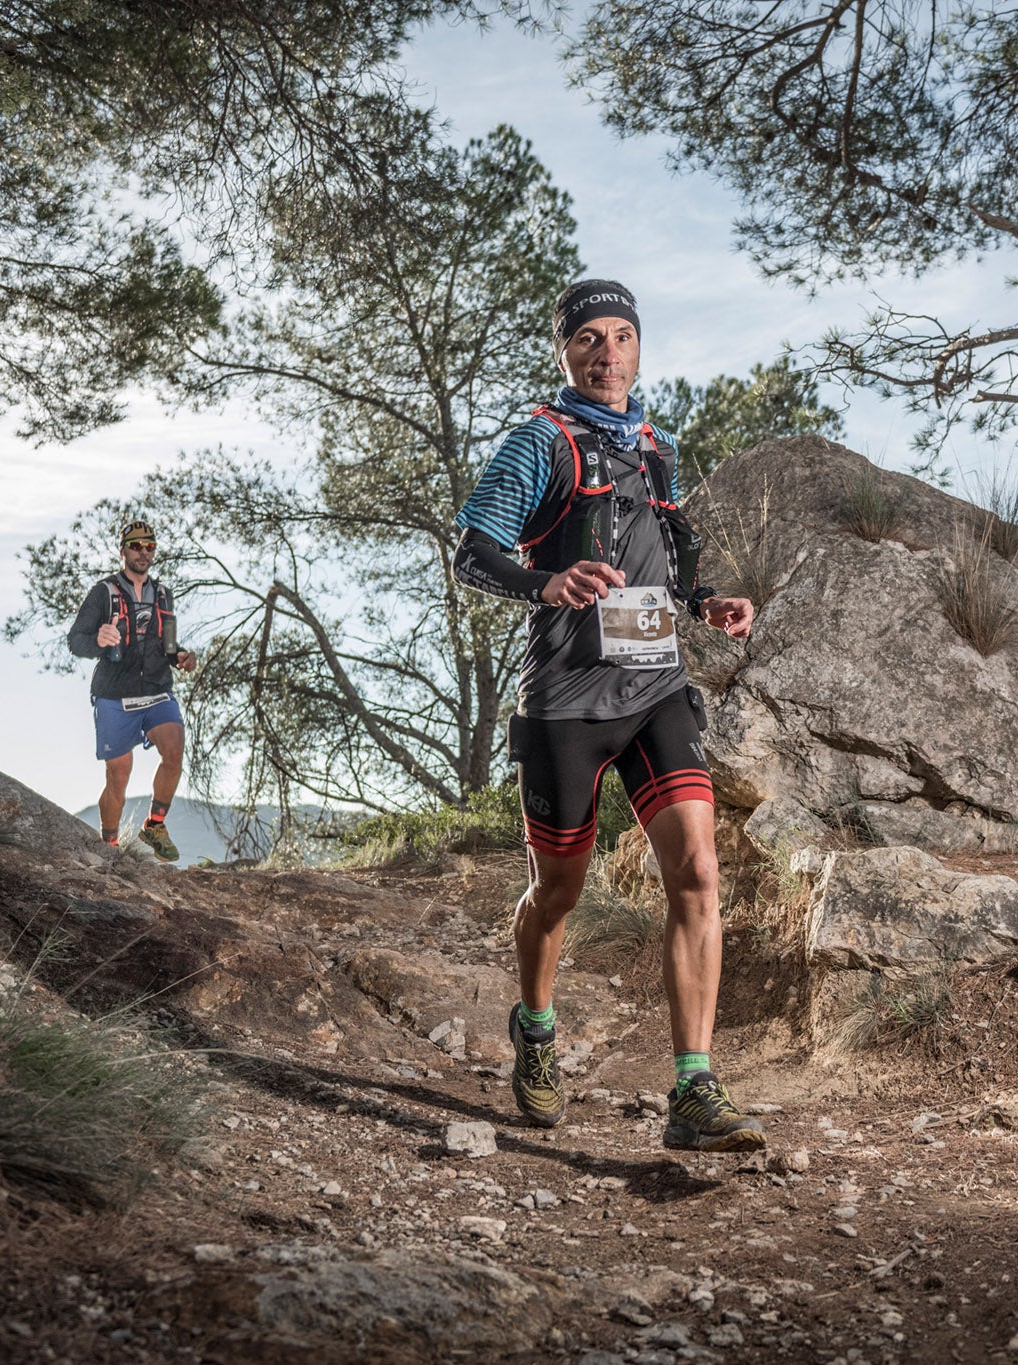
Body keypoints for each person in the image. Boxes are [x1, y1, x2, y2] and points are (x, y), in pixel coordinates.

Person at [451, 279, 764, 1152]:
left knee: (698, 873)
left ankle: (694, 1091)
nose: (608, 352)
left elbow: (667, 546)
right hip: (566, 700)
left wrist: (704, 602)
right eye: (589, 336)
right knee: (559, 892)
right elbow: (470, 551)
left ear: (638, 348)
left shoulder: (654, 446)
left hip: (655, 685)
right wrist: (543, 581)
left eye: (622, 335)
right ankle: (537, 1029)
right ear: (565, 351)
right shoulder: (537, 444)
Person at [67, 519, 198, 860]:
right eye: (136, 546)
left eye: (150, 546)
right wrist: (97, 640)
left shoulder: (164, 594)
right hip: (114, 694)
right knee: (118, 777)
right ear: (123, 550)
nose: (143, 552)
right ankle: (109, 845)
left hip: (156, 690)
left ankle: (154, 824)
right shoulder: (104, 592)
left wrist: (180, 656)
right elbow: (75, 640)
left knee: (174, 750)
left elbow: (166, 646)